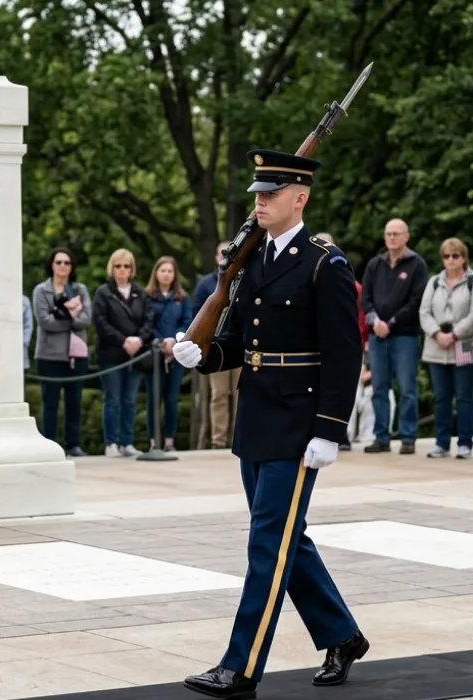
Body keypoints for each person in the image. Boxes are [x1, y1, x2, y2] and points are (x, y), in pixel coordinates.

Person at [172, 148, 368, 698]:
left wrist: (329, 429)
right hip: (256, 418)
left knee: (267, 544)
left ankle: (240, 667)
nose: (259, 201)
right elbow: (238, 339)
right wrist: (203, 356)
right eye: (257, 193)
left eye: (271, 193)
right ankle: (342, 634)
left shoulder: (324, 264)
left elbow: (345, 351)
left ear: (299, 198)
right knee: (286, 540)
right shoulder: (254, 261)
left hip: (299, 425)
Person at [360, 218, 428, 454]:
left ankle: (408, 437)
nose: (391, 238)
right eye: (388, 234)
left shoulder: (416, 264)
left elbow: (416, 301)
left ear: (406, 236)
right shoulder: (375, 265)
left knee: (407, 388)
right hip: (377, 337)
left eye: (396, 234)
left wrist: (391, 323)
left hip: (404, 336)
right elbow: (365, 298)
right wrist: (375, 321)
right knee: (379, 388)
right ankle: (381, 437)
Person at [418, 237, 473, 459]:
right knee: (441, 397)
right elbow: (424, 311)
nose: (451, 260)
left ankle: (465, 443)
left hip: (463, 345)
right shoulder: (434, 281)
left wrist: (455, 334)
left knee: (464, 396)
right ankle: (441, 442)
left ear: (464, 258)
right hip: (437, 347)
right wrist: (437, 333)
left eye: (455, 256)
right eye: (446, 256)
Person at [92, 248, 154, 457]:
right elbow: (100, 322)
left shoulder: (140, 293)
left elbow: (148, 320)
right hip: (111, 355)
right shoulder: (103, 293)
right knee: (113, 399)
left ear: (132, 269)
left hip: (135, 355)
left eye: (126, 266)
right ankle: (111, 443)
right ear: (112, 268)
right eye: (118, 266)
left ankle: (127, 442)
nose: (122, 270)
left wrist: (138, 339)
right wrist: (123, 340)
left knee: (130, 400)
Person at [32, 248, 92, 458]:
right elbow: (44, 321)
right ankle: (49, 445)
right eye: (59, 262)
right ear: (51, 265)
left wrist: (62, 316)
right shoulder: (41, 290)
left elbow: (85, 320)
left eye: (67, 263)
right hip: (49, 355)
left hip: (76, 356)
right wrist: (70, 319)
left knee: (74, 402)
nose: (63, 266)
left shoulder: (79, 289)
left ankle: (73, 444)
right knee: (50, 403)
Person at [143, 256, 194, 451]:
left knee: (172, 399)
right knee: (153, 399)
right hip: (154, 353)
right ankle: (153, 441)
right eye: (162, 270)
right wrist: (161, 341)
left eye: (170, 271)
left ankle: (169, 440)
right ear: (156, 273)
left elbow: (187, 321)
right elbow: (146, 323)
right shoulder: (147, 296)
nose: (166, 274)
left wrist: (174, 340)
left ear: (175, 275)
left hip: (176, 354)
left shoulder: (182, 298)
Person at [195, 241, 240, 449]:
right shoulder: (206, 284)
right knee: (219, 395)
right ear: (216, 257)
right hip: (216, 346)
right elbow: (198, 316)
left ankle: (238, 437)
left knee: (240, 393)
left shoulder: (243, 278)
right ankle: (218, 440)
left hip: (239, 344)